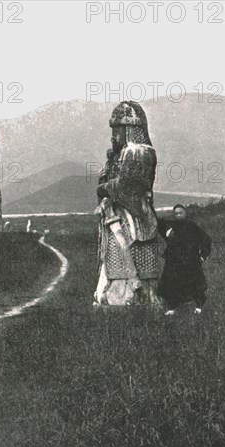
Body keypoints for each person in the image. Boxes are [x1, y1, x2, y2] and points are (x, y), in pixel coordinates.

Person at [94, 101, 161, 306]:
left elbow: (125, 187)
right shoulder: (120, 154)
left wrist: (103, 188)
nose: (114, 135)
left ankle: (131, 299)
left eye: (118, 130)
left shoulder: (138, 152)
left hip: (134, 218)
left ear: (129, 129)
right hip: (117, 217)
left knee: (128, 258)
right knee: (113, 257)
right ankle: (115, 298)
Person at [158, 204, 212, 315]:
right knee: (171, 282)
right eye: (176, 213)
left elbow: (206, 239)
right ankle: (172, 307)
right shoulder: (170, 226)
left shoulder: (192, 226)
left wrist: (203, 255)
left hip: (190, 260)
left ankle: (199, 307)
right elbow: (159, 225)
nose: (178, 215)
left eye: (180, 213)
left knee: (195, 283)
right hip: (174, 261)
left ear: (185, 213)